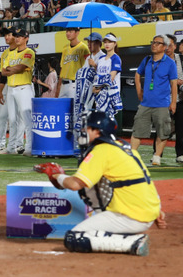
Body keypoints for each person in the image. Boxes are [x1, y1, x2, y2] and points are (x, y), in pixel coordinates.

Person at [36, 110, 165, 256]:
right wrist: (155, 212)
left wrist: (57, 175)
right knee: (97, 186)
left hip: (131, 216)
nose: (84, 132)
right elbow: (143, 182)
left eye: (88, 128)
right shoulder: (126, 148)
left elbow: (75, 185)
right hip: (147, 211)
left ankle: (132, 243)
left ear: (97, 132)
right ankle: (126, 235)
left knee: (74, 238)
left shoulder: (102, 150)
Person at [130, 35, 177, 166]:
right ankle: (132, 155)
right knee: (137, 130)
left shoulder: (170, 63)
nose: (154, 45)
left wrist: (173, 102)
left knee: (163, 132)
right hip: (145, 104)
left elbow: (173, 84)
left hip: (162, 104)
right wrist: (139, 92)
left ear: (164, 47)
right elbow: (137, 74)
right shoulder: (146, 60)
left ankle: (157, 156)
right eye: (153, 42)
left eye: (158, 43)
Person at [0, 28, 35, 156]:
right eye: (16, 36)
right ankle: (11, 147)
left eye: (20, 36)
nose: (17, 38)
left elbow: (21, 68)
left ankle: (29, 147)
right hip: (11, 88)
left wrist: (11, 69)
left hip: (24, 87)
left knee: (27, 119)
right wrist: (13, 69)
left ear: (26, 38)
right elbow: (3, 71)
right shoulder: (11, 53)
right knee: (12, 119)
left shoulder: (29, 52)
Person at [0, 26, 21, 153]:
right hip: (7, 86)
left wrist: (8, 72)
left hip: (21, 85)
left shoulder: (21, 50)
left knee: (18, 117)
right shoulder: (5, 53)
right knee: (2, 115)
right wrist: (0, 91)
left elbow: (11, 71)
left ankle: (18, 144)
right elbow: (3, 74)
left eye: (9, 35)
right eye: (5, 35)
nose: (7, 37)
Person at [93, 33, 122, 115]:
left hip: (110, 93)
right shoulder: (101, 58)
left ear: (115, 44)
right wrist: (95, 87)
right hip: (99, 94)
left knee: (108, 120)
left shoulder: (116, 58)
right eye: (105, 42)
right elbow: (97, 76)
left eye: (109, 42)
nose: (107, 44)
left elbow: (111, 77)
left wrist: (98, 86)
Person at [56, 27, 90, 99]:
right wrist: (58, 87)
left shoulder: (84, 48)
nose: (68, 33)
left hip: (74, 84)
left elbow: (87, 68)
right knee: (61, 109)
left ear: (77, 32)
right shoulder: (65, 48)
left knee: (73, 109)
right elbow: (62, 67)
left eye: (70, 31)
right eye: (67, 31)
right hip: (63, 84)